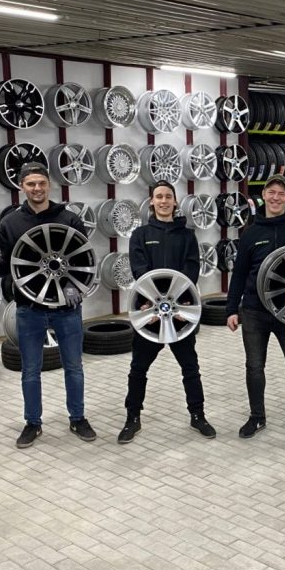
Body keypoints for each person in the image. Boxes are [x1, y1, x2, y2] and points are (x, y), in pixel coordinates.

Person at [0, 162, 95, 448]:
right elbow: (2, 267)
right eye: (31, 184)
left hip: (66, 307)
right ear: (21, 187)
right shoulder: (10, 223)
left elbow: (82, 259)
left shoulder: (69, 219)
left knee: (74, 366)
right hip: (29, 307)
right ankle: (32, 423)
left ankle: (78, 418)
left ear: (49, 185)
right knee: (30, 370)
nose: (37, 188)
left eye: (41, 183)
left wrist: (73, 288)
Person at [225, 174, 285, 456]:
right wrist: (231, 309)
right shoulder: (251, 233)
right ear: (263, 195)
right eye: (271, 192)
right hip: (255, 310)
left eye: (281, 193)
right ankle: (257, 417)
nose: (276, 197)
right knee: (254, 367)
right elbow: (239, 274)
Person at [119, 181, 215, 443]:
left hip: (180, 313)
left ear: (175, 202)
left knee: (190, 367)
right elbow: (139, 271)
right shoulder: (140, 235)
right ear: (152, 201)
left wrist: (178, 305)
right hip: (148, 312)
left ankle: (198, 416)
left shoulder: (187, 236)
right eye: (159, 197)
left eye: (168, 197)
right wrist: (152, 301)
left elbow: (191, 272)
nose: (163, 201)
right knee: (138, 368)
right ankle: (132, 418)